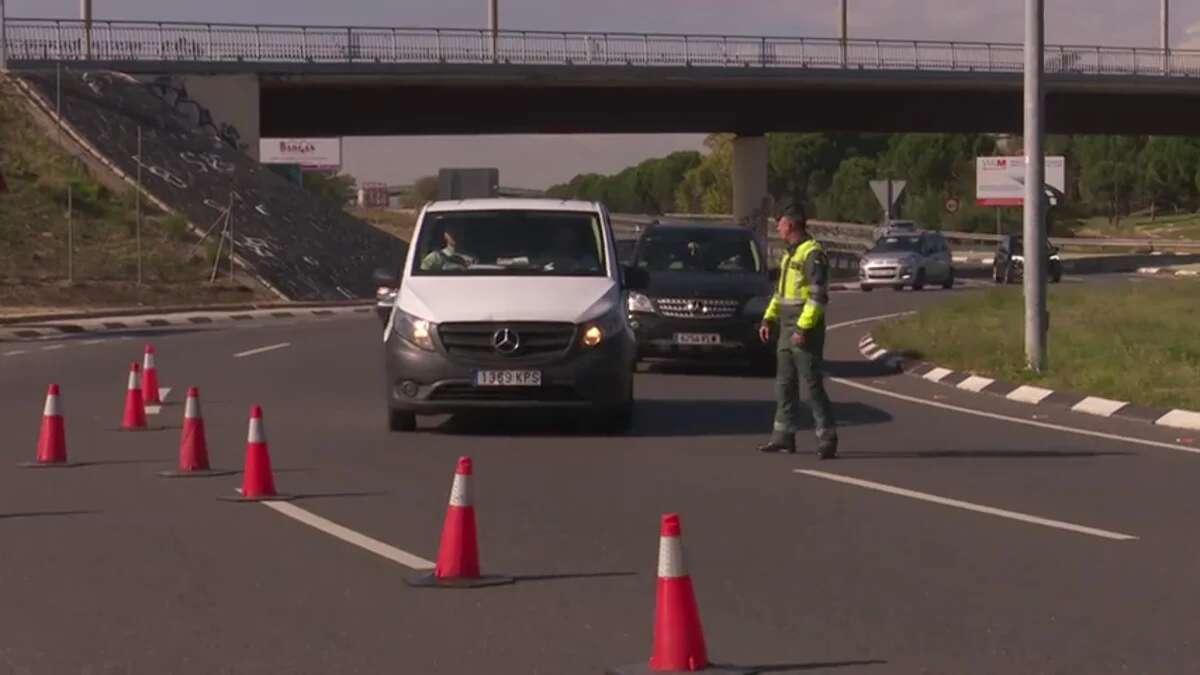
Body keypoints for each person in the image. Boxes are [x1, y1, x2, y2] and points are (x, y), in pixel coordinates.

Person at [756, 205, 838, 458]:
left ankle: (827, 438)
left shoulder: (812, 254)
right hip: (785, 325)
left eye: (780, 223)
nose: (777, 228)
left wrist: (803, 327)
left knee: (812, 383)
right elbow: (781, 294)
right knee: (784, 383)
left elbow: (817, 297)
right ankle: (783, 436)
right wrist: (768, 318)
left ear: (791, 225)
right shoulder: (789, 254)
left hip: (805, 326)